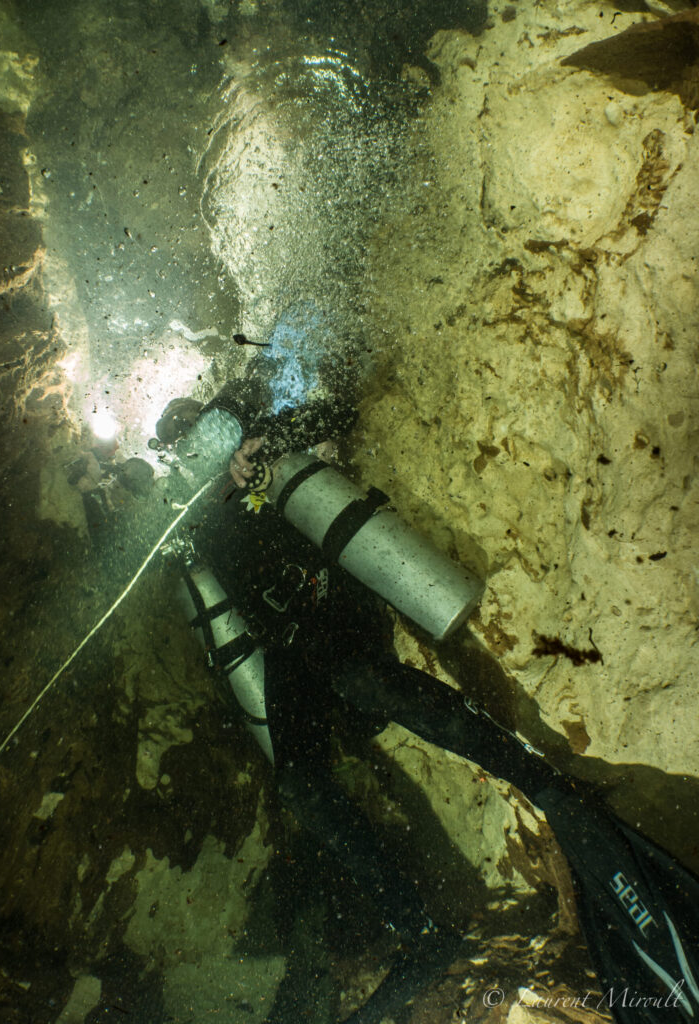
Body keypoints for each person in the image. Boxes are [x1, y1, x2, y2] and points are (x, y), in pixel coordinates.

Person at [157, 377, 699, 1024]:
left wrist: (266, 441)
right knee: (300, 784)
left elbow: (339, 406)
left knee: (363, 680)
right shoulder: (189, 525)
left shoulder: (260, 456)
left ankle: (541, 783)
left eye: (196, 429)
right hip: (286, 654)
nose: (194, 446)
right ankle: (419, 929)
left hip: (334, 606)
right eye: (180, 443)